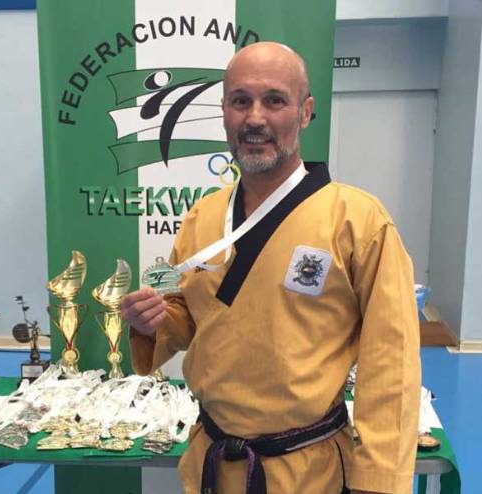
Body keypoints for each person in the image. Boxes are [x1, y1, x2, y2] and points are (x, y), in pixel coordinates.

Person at [122, 42, 421, 494]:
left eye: (275, 100)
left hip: (307, 471)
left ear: (305, 112)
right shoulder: (203, 216)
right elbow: (192, 316)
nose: (255, 118)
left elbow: (392, 360)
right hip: (213, 463)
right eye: (240, 101)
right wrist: (153, 323)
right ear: (224, 112)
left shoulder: (358, 220)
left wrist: (378, 479)